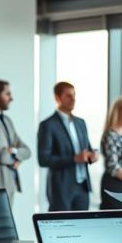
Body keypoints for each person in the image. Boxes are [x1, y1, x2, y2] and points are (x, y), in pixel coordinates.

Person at [37, 81, 98, 211]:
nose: (73, 99)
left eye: (74, 95)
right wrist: (73, 159)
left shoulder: (81, 123)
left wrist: (92, 156)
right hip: (61, 189)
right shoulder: (48, 125)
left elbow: (87, 149)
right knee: (61, 228)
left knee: (83, 227)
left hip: (82, 187)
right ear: (57, 98)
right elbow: (43, 159)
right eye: (68, 96)